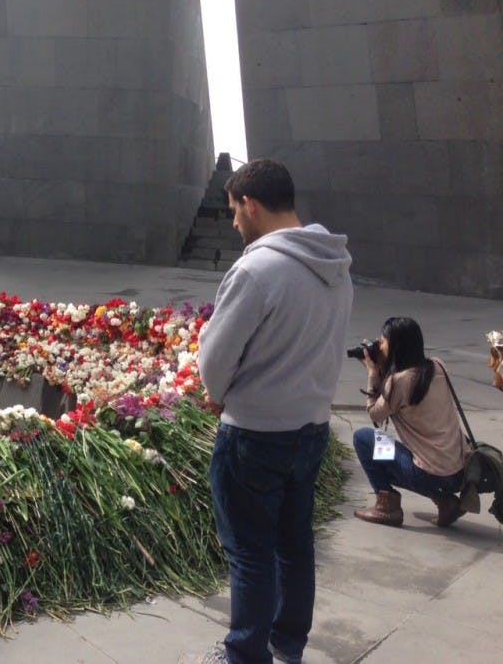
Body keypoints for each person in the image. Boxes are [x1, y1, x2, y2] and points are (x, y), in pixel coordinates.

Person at [195, 159, 353, 664]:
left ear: (252, 204)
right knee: (293, 544)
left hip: (255, 435)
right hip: (310, 430)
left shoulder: (256, 269)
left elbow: (215, 361)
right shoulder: (336, 266)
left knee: (250, 554)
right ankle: (287, 644)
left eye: (235, 212)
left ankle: (244, 656)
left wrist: (217, 390)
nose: (235, 224)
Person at [352, 317, 471, 528]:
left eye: (383, 341)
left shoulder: (398, 382)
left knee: (364, 438)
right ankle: (445, 502)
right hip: (459, 473)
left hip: (429, 476)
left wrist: (372, 373)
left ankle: (387, 507)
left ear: (395, 346)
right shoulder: (438, 366)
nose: (379, 345)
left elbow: (374, 414)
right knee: (409, 457)